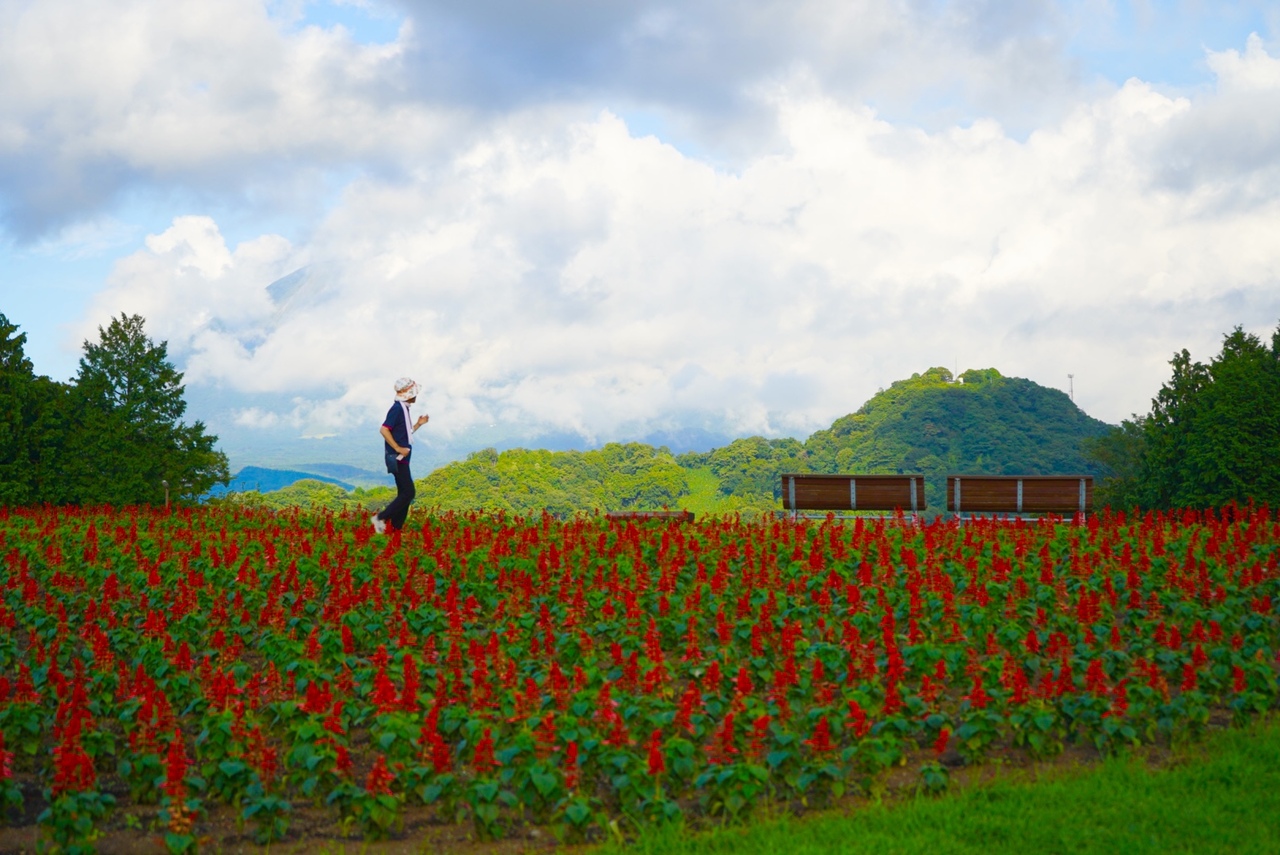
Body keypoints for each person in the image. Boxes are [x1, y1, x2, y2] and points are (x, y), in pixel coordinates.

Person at [371, 377, 429, 532]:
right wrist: (398, 448)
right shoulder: (397, 409)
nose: (416, 395)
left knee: (405, 494)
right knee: (409, 492)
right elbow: (384, 429)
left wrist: (418, 424)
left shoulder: (404, 408)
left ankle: (396, 529)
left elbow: (404, 434)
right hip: (398, 458)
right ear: (409, 394)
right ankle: (380, 518)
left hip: (402, 458)